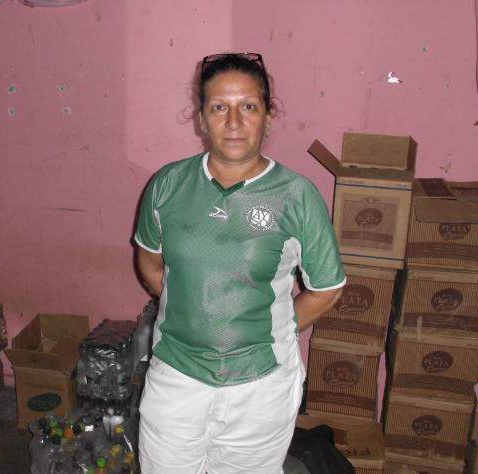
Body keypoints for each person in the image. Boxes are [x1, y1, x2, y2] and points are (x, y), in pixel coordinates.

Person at [134, 52, 346, 474]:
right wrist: (196, 309)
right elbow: (150, 264)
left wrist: (276, 328)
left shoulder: (297, 195)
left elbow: (327, 289)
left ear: (268, 115)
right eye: (219, 107)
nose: (233, 121)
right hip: (176, 379)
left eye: (248, 106)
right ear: (201, 119)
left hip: (261, 389)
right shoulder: (167, 185)